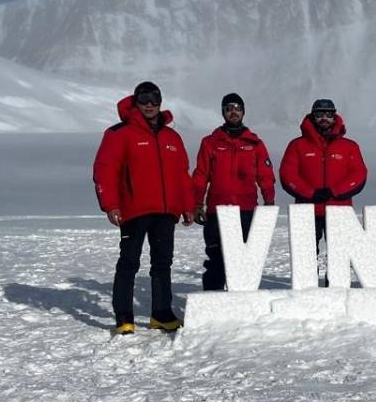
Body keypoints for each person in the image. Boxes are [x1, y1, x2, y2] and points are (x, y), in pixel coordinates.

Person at [92, 81, 195, 335]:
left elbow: (182, 175)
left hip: (165, 211)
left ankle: (161, 313)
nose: (149, 104)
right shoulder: (120, 133)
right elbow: (105, 170)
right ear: (135, 101)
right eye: (144, 99)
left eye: (154, 99)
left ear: (161, 102)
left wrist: (187, 206)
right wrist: (111, 204)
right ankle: (124, 316)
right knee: (129, 263)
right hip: (133, 210)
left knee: (162, 263)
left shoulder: (172, 137)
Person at [190, 92, 276, 291]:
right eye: (228, 109)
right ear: (223, 113)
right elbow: (201, 175)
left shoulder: (254, 143)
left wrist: (269, 201)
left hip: (245, 209)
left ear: (243, 112)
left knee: (243, 260)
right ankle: (213, 303)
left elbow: (265, 175)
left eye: (237, 108)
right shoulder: (210, 142)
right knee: (216, 258)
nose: (233, 112)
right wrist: (197, 204)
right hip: (216, 211)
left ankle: (242, 302)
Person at [279, 99, 368, 277]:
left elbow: (359, 174)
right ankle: (307, 296)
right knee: (305, 257)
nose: (324, 118)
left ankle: (335, 295)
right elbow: (287, 175)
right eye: (319, 114)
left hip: (338, 210)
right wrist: (310, 193)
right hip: (307, 209)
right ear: (312, 117)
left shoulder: (349, 146)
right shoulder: (297, 145)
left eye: (329, 114)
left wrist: (334, 192)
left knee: (338, 258)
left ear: (335, 117)